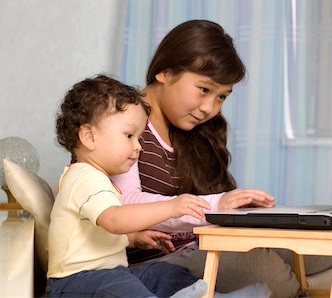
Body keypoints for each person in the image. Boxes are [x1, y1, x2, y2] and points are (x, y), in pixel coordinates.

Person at [111, 20, 332, 297]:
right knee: (260, 266)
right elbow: (123, 207)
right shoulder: (123, 123)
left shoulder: (195, 130)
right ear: (164, 72)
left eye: (221, 97)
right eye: (204, 89)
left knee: (319, 248)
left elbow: (210, 210)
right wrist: (216, 205)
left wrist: (239, 211)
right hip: (153, 263)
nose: (209, 109)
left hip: (204, 242)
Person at [47, 74, 210, 298]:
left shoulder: (99, 179)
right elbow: (114, 220)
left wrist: (133, 239)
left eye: (140, 138)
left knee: (163, 273)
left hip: (107, 274)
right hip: (74, 282)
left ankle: (211, 294)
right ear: (88, 136)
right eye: (129, 135)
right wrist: (171, 207)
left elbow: (99, 232)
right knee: (120, 285)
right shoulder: (84, 177)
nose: (138, 147)